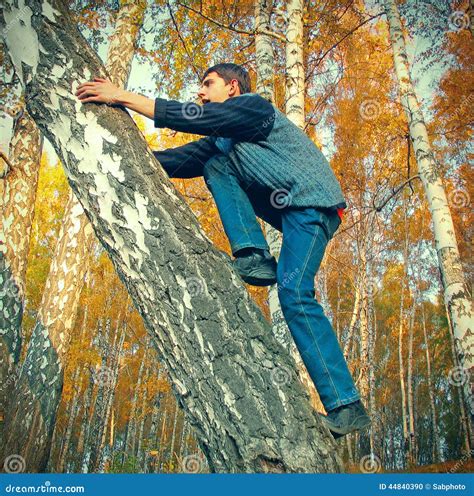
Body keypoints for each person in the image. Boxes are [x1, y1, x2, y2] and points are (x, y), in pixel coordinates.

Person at [76, 63, 370, 438]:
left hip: (315, 206)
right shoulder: (225, 141)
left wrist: (121, 95)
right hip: (296, 212)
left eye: (207, 84)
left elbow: (191, 117)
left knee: (295, 293)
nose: (199, 92)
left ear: (232, 88)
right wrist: (115, 155)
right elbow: (178, 160)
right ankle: (255, 258)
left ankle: (346, 406)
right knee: (215, 160)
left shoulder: (254, 108)